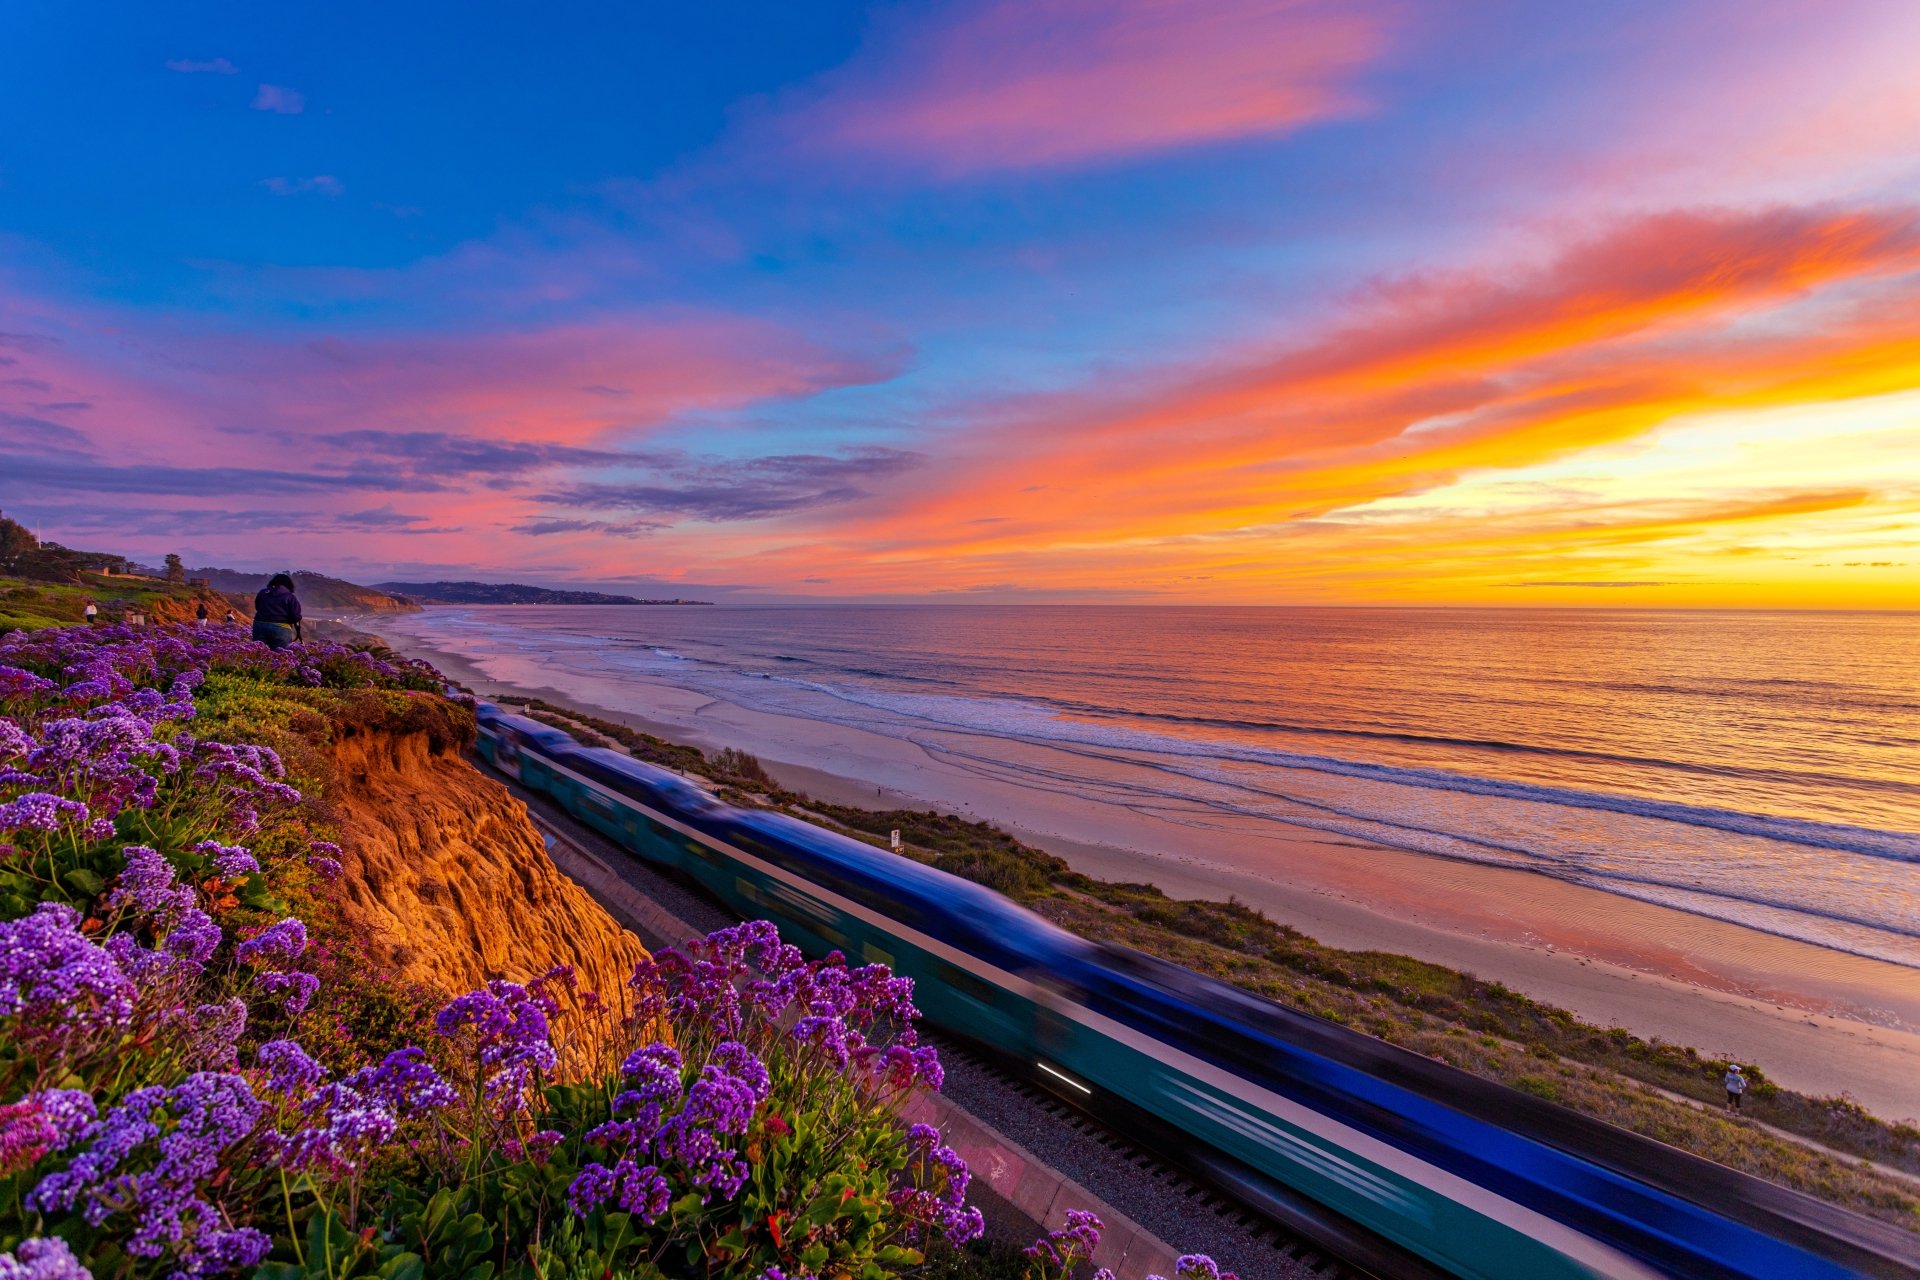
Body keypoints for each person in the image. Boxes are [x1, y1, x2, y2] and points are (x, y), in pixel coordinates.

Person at [252, 573, 303, 650]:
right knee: (280, 654)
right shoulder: (290, 596)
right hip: (281, 627)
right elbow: (295, 616)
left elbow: (258, 607)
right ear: (289, 584)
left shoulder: (263, 592)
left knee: (260, 652)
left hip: (260, 625)